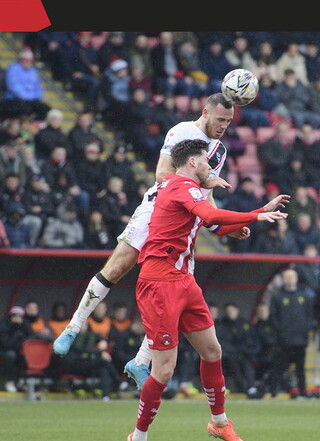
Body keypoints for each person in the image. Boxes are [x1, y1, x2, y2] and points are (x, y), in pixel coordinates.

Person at [52, 93, 289, 361]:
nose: (224, 126)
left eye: (229, 121)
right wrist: (205, 185)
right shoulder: (183, 131)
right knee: (118, 266)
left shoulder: (219, 151)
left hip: (187, 220)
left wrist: (222, 226)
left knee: (176, 289)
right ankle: (73, 326)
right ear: (206, 112)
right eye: (221, 119)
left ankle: (142, 362)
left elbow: (207, 204)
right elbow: (162, 175)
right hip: (159, 207)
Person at [125, 139, 288, 441]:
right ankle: (138, 440)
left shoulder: (186, 188)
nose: (210, 167)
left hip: (183, 280)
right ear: (192, 162)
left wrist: (243, 224)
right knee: (164, 371)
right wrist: (257, 213)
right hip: (158, 282)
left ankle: (219, 421)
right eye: (206, 161)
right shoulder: (179, 185)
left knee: (213, 351)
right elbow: (211, 213)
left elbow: (212, 224)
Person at [268, 268, 315, 399]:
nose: (289, 279)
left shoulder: (303, 296)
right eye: (287, 277)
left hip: (300, 339)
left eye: (292, 277)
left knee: (300, 368)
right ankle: (274, 393)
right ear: (283, 279)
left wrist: (306, 330)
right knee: (278, 367)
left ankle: (303, 393)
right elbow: (273, 317)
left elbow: (309, 315)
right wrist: (280, 332)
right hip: (283, 340)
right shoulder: (278, 296)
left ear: (296, 278)